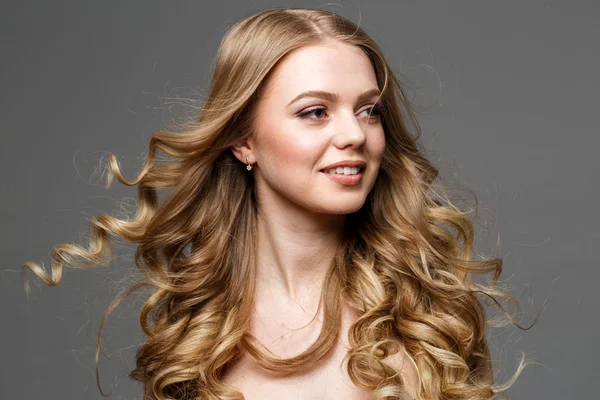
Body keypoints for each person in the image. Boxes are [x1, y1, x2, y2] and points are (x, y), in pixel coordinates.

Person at [22, 8, 528, 400]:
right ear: (243, 139)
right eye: (315, 112)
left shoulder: (425, 311)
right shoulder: (198, 325)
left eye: (369, 111)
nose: (354, 134)